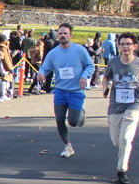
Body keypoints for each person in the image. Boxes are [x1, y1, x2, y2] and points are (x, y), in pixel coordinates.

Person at [102, 33, 139, 184]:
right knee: (116, 141)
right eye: (122, 44)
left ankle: (121, 170)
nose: (125, 47)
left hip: (134, 104)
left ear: (135, 46)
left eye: (128, 44)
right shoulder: (113, 62)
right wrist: (105, 88)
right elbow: (106, 77)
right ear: (118, 46)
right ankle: (122, 158)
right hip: (115, 105)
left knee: (125, 138)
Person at [36, 24, 95, 158]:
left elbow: (90, 66)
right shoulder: (53, 53)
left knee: (73, 122)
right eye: (60, 33)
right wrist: (41, 74)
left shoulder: (80, 50)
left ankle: (80, 113)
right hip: (60, 91)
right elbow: (44, 67)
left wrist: (85, 76)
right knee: (59, 119)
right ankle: (68, 145)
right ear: (57, 35)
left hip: (76, 91)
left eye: (65, 33)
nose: (62, 36)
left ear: (70, 36)